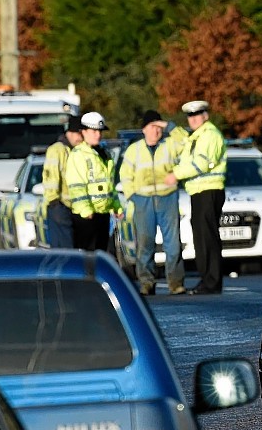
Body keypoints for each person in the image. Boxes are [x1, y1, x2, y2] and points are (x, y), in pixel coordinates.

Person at [120, 110, 186, 296]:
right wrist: (133, 196)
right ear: (144, 129)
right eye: (152, 127)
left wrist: (168, 125)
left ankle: (175, 283)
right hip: (143, 200)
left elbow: (185, 141)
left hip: (167, 198)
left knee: (172, 243)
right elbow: (125, 175)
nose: (156, 131)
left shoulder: (169, 144)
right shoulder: (134, 150)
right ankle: (146, 283)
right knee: (145, 243)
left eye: (159, 127)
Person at [166, 100, 227, 295]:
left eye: (196, 115)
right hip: (199, 191)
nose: (192, 119)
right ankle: (207, 280)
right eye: (190, 116)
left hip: (208, 191)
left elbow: (200, 164)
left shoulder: (209, 135)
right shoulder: (197, 136)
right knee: (201, 237)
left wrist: (175, 174)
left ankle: (212, 282)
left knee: (207, 238)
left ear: (205, 116)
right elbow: (182, 141)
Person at [64, 111, 119, 251]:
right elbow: (76, 186)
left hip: (103, 213)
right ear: (84, 132)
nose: (98, 135)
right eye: (93, 131)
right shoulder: (78, 155)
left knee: (102, 255)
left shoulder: (104, 154)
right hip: (86, 216)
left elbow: (109, 185)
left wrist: (116, 205)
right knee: (88, 256)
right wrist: (85, 209)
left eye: (100, 131)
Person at [41, 115, 83, 249]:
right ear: (69, 132)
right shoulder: (57, 150)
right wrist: (55, 203)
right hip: (60, 208)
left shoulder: (78, 150)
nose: (81, 137)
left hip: (75, 209)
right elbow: (51, 179)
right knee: (65, 252)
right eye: (79, 133)